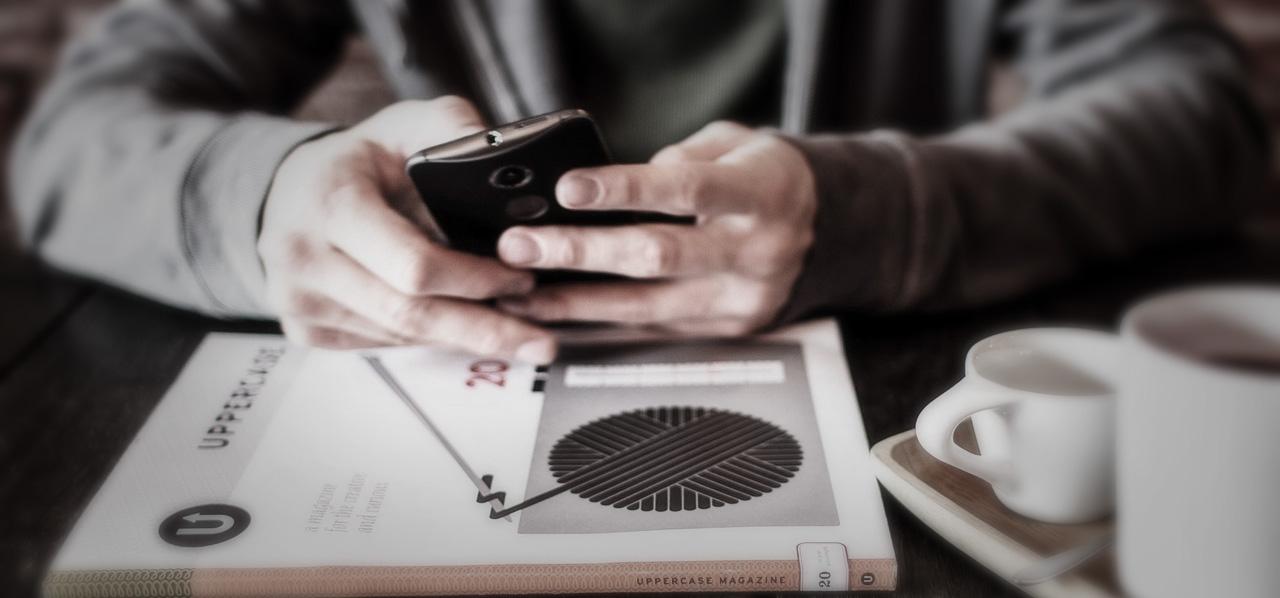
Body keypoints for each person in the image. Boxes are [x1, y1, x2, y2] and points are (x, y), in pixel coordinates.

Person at [9, 0, 1267, 364]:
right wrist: (261, 200)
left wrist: (868, 217)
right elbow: (76, 136)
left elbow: (1195, 108)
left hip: (899, 388)